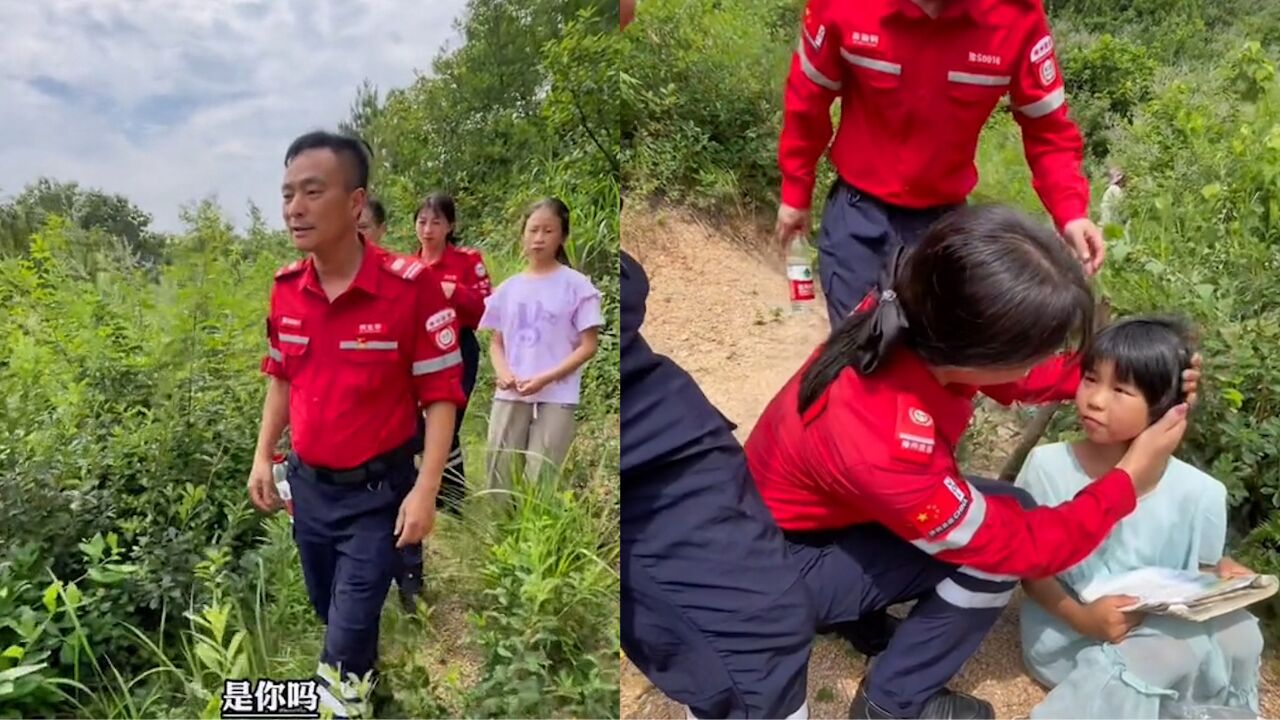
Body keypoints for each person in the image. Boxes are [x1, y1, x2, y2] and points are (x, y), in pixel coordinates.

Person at [743, 205, 1202, 720]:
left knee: (1010, 506)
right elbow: (1015, 547)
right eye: (1037, 350)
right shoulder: (886, 439)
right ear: (980, 353)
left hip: (804, 519)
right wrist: (1126, 481)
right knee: (998, 544)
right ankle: (890, 703)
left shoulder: (909, 312)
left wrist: (1134, 381)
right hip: (781, 565)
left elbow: (1013, 373)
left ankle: (862, 622)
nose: (1043, 364)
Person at [247, 130, 464, 717]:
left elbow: (443, 396)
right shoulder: (287, 290)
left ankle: (342, 698)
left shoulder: (409, 290)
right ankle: (371, 694)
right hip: (310, 492)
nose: (295, 206)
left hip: (377, 498)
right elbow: (281, 379)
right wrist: (263, 455)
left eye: (312, 191)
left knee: (341, 643)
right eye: (288, 192)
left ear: (354, 203)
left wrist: (426, 492)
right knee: (333, 612)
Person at [776, 0, 1105, 326]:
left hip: (943, 227)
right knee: (858, 350)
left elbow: (1048, 130)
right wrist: (795, 193)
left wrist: (1070, 212)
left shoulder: (1015, 17)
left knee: (931, 358)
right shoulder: (842, 6)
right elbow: (808, 101)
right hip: (857, 217)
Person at [1017, 316, 1263, 719]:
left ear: (1166, 406)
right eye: (1091, 379)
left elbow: (1197, 570)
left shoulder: (1201, 492)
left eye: (1120, 389)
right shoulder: (1049, 466)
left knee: (1242, 633)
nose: (1095, 399)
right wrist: (1082, 618)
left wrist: (1223, 575)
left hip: (1159, 630)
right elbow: (1031, 570)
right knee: (1163, 654)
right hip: (1072, 633)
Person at [393, 192, 492, 609]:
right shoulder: (406, 266)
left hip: (459, 350)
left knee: (447, 422)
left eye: (435, 222)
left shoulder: (468, 260)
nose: (428, 229)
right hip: (417, 355)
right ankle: (444, 496)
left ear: (449, 226)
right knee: (422, 431)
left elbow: (487, 308)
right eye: (421, 222)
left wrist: (453, 291)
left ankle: (444, 497)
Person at [479, 198, 602, 489]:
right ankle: (500, 533)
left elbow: (588, 345)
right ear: (523, 233)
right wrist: (503, 372)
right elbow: (497, 342)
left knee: (542, 477)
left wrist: (546, 378)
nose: (538, 238)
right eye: (533, 230)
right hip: (511, 392)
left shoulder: (577, 285)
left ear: (563, 236)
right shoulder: (509, 288)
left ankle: (538, 535)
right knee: (500, 473)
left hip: (558, 395)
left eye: (548, 231)